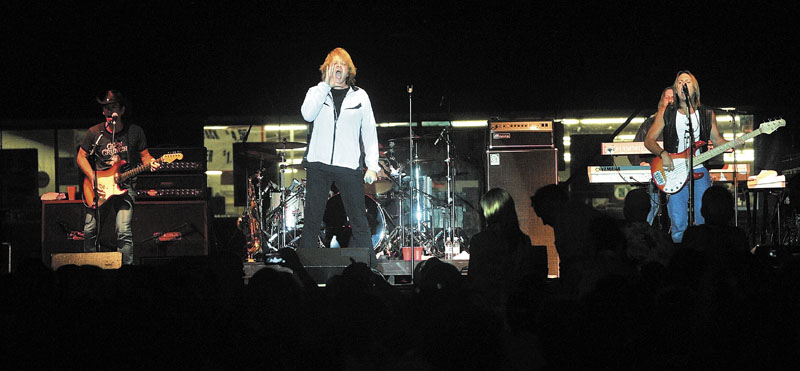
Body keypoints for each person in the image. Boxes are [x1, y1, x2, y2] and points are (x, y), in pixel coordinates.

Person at [299, 47, 380, 267]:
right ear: (327, 69)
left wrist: (372, 165)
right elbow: (307, 114)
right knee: (312, 220)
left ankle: (372, 270)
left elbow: (369, 130)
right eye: (333, 64)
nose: (338, 67)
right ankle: (304, 271)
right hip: (318, 164)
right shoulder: (316, 92)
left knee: (359, 221)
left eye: (342, 64)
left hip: (348, 165)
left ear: (348, 71)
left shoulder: (360, 96)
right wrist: (324, 85)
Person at [644, 71, 743, 243]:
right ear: (676, 88)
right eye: (679, 81)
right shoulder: (666, 112)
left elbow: (716, 139)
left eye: (687, 81)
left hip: (699, 169)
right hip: (674, 169)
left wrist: (733, 143)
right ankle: (679, 255)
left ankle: (703, 252)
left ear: (694, 87)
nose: (683, 84)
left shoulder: (706, 113)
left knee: (704, 217)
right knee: (678, 220)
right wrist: (663, 153)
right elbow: (649, 140)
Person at [76, 90, 159, 265]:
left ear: (121, 110)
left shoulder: (134, 132)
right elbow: (81, 157)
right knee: (90, 230)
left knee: (123, 231)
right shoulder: (94, 133)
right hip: (99, 188)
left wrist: (151, 162)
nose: (108, 111)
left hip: (124, 187)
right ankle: (89, 269)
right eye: (105, 108)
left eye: (112, 107)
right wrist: (92, 176)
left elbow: (146, 156)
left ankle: (125, 270)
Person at [468, 188, 547, 318]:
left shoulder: (480, 240)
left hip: (487, 306)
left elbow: (475, 277)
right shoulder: (523, 240)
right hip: (517, 306)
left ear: (487, 212)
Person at [628, 87, 673, 226]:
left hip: (678, 174)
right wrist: (640, 163)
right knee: (653, 208)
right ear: (661, 101)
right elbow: (634, 149)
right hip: (654, 174)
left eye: (673, 97)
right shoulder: (649, 123)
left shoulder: (684, 123)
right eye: (667, 97)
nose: (670, 100)